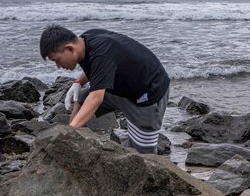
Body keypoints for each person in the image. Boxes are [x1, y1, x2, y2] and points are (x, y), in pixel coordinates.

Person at [40, 25, 170, 154]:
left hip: (148, 93)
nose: (58, 66)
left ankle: (70, 135)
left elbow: (96, 98)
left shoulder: (101, 52)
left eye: (57, 60)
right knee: (82, 98)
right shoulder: (85, 40)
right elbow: (98, 67)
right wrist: (79, 82)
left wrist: (67, 133)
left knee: (144, 154)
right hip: (124, 89)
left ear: (70, 48)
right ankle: (74, 145)